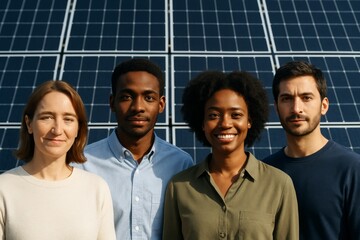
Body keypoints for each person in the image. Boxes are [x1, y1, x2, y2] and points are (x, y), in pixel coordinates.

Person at [163, 71, 299, 239]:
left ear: (250, 120)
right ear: (202, 123)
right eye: (213, 115)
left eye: (236, 115)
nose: (225, 123)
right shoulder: (179, 187)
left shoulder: (279, 185)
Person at [75, 58, 194, 239]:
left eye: (148, 98)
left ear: (161, 104)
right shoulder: (82, 164)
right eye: (126, 97)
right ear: (112, 102)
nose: (138, 107)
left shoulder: (181, 164)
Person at [0, 80, 116, 240]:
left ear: (78, 129)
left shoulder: (96, 188)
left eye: (68, 119)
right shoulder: (4, 188)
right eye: (46, 117)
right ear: (29, 124)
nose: (57, 130)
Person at [262, 60, 360, 240]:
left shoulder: (352, 170)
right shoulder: (263, 173)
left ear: (324, 105)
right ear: (276, 107)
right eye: (287, 98)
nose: (296, 108)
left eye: (306, 98)